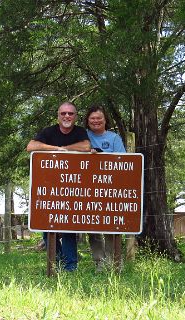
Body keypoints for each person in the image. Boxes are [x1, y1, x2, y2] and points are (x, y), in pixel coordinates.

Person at [27, 101, 91, 271]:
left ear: (75, 116)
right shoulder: (49, 132)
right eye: (63, 113)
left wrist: (65, 149)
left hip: (72, 189)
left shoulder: (80, 132)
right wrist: (56, 149)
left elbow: (86, 146)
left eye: (70, 113)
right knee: (48, 229)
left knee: (70, 229)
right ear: (58, 116)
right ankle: (59, 261)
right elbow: (31, 146)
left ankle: (71, 266)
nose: (67, 116)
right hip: (50, 189)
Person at [84, 104, 126, 271]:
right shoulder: (83, 136)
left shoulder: (114, 138)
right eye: (92, 118)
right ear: (88, 120)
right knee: (92, 228)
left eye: (99, 118)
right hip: (88, 189)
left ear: (105, 120)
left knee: (111, 226)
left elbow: (123, 161)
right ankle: (99, 263)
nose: (96, 121)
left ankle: (114, 262)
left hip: (110, 189)